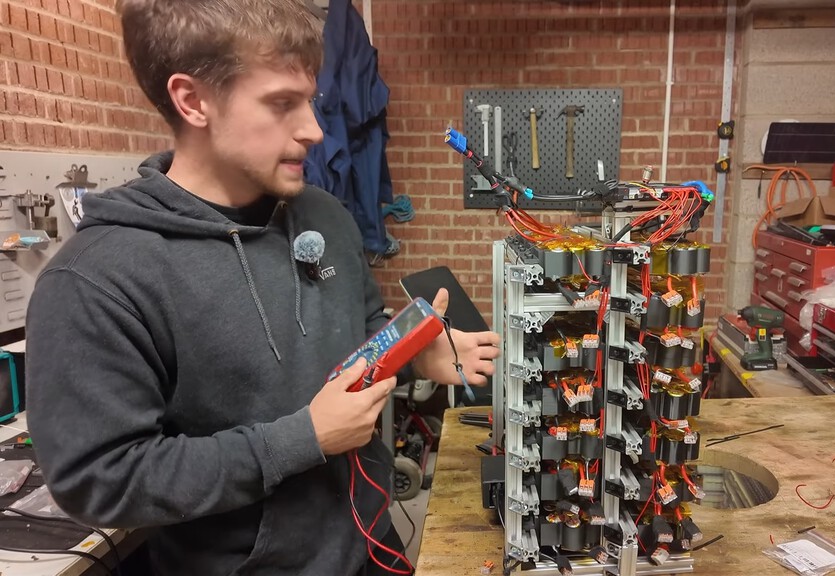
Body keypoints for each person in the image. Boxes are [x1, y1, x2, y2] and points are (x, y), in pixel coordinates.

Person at [24, 1, 500, 575]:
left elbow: (361, 322)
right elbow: (100, 481)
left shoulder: (323, 213)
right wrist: (303, 439)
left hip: (372, 550)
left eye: (311, 100)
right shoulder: (99, 277)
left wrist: (412, 351)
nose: (315, 130)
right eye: (281, 104)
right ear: (193, 100)